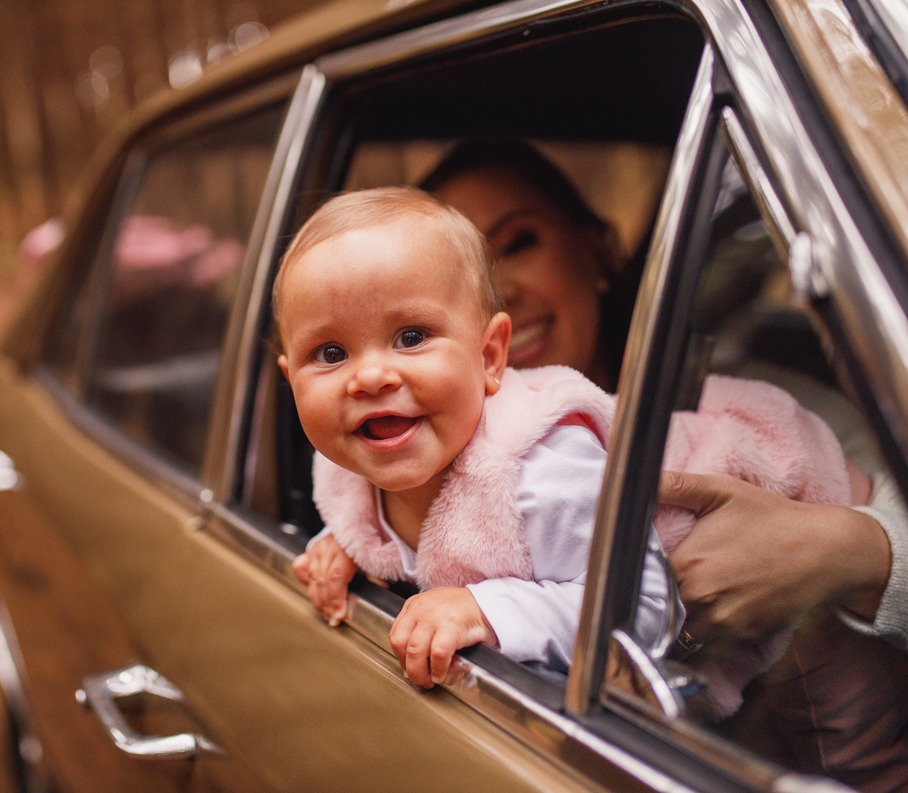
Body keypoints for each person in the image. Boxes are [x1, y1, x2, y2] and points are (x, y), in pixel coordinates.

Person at [418, 138, 906, 656]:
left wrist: (845, 553)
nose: (498, 295)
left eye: (517, 245)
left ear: (597, 249)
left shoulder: (751, 409)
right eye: (453, 279)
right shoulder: (426, 464)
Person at [275, 187, 675, 687]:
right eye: (331, 353)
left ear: (489, 357)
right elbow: (387, 532)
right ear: (292, 382)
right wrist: (344, 547)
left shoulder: (537, 464)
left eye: (412, 337)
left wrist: (486, 611)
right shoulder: (347, 462)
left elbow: (646, 606)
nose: (371, 376)